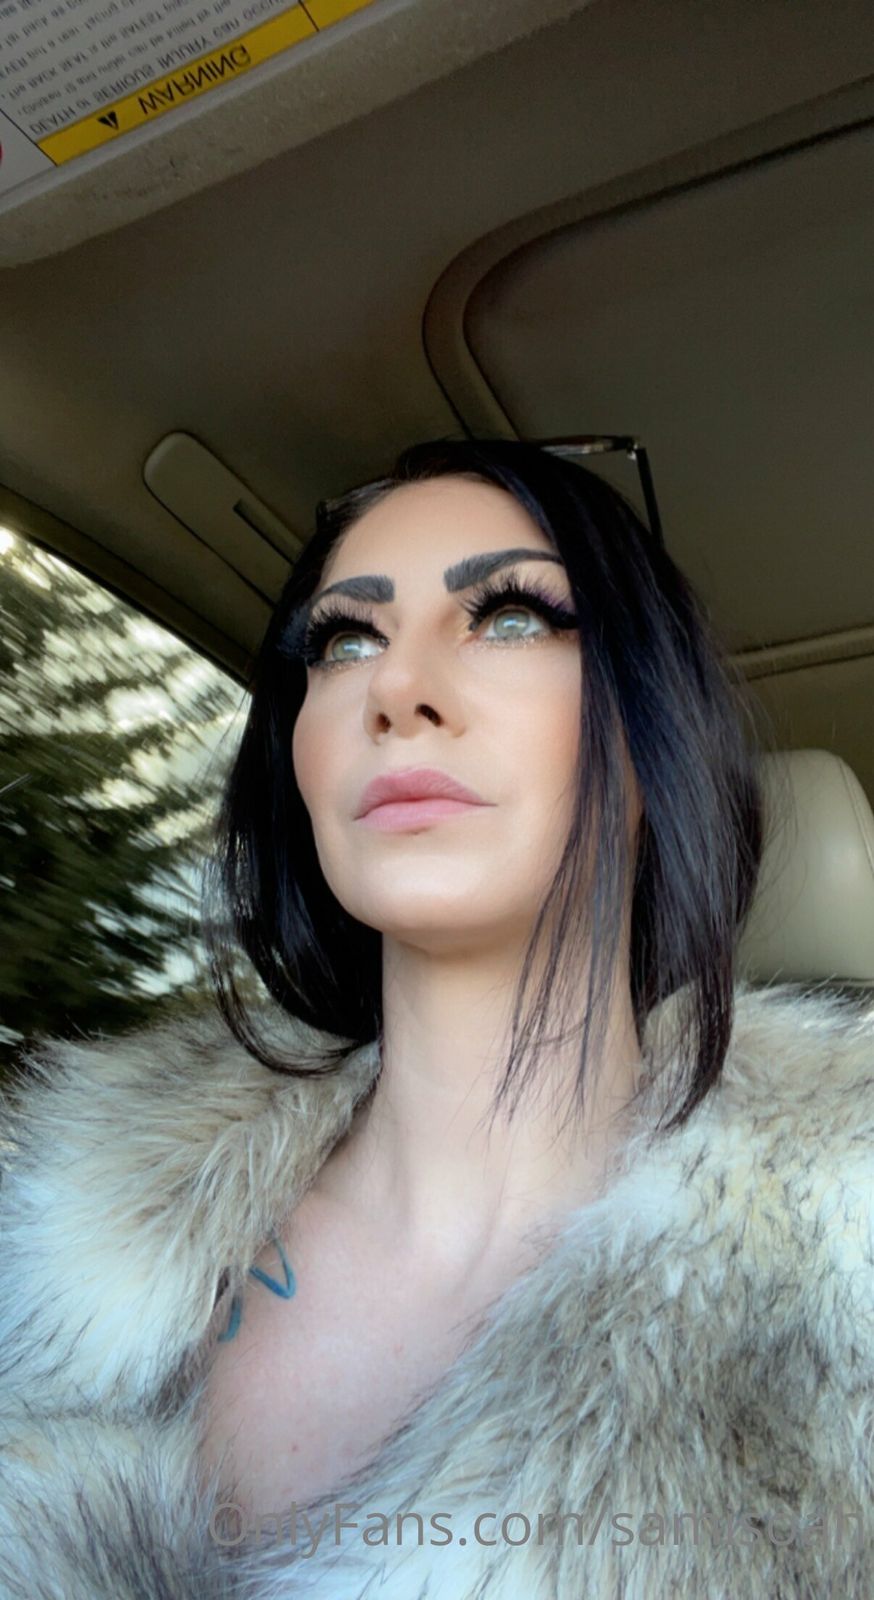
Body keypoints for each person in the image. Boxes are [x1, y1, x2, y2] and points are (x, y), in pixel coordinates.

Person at [0, 437, 871, 1599]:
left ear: (648, 734)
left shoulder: (848, 1292)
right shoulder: (57, 1224)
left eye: (510, 616)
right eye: (344, 639)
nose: (392, 688)